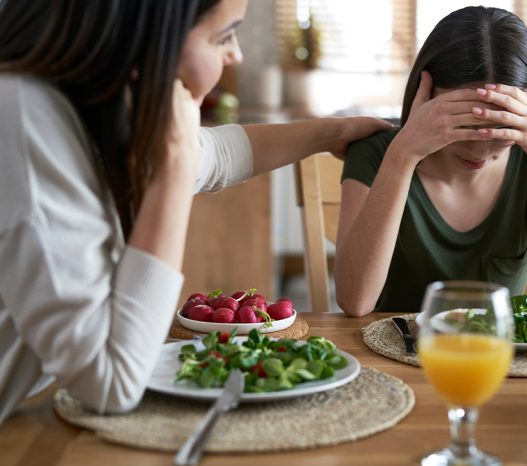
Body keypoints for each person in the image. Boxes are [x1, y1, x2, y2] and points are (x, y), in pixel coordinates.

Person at [0, 0, 391, 424]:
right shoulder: (26, 120)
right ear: (150, 36)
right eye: (222, 36)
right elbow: (111, 383)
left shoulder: (79, 102)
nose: (236, 54)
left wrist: (332, 132)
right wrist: (174, 165)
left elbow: (219, 154)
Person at [334, 6, 527, 318]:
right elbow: (355, 301)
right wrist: (402, 156)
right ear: (426, 96)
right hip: (393, 357)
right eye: (463, 124)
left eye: (500, 127)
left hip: (499, 363)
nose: (480, 149)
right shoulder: (378, 154)